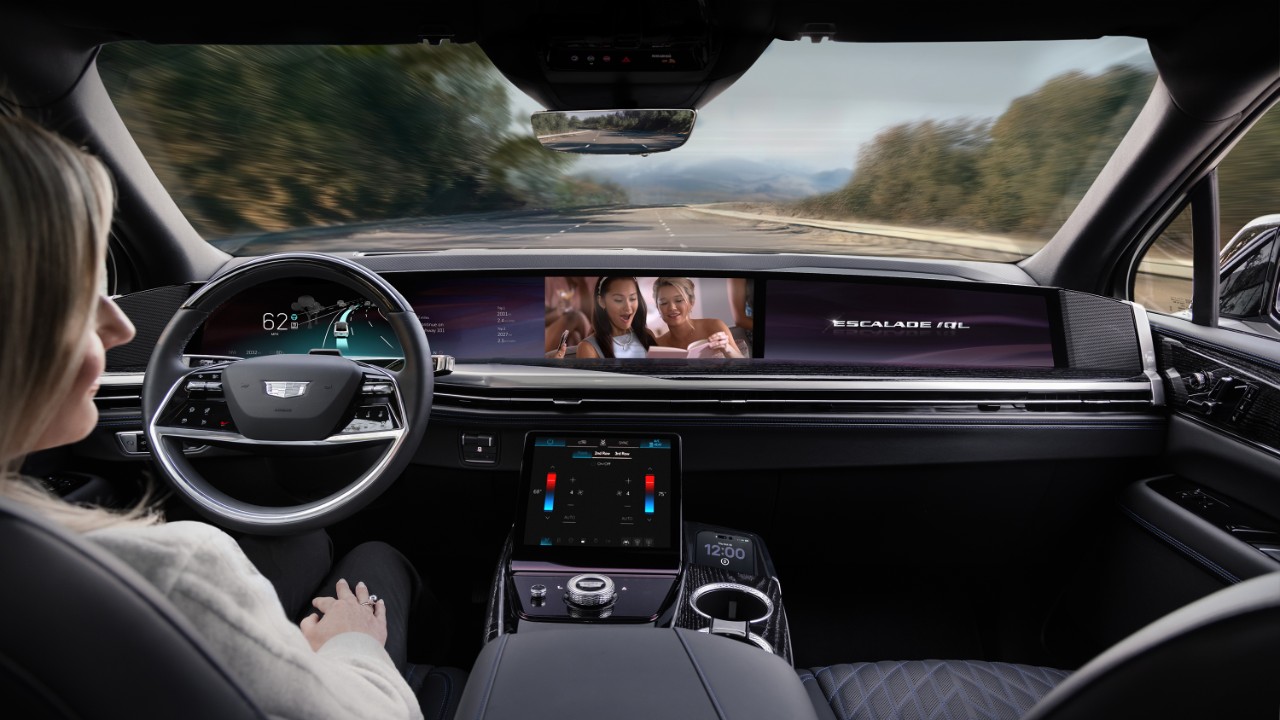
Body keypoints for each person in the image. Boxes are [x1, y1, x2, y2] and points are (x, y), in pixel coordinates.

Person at [0, 114, 439, 719]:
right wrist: (349, 645)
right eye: (80, 291)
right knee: (377, 559)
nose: (123, 326)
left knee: (305, 537)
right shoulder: (180, 575)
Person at [651, 277, 744, 358]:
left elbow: (743, 367)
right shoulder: (658, 344)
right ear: (658, 307)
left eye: (678, 300)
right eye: (663, 303)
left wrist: (727, 348)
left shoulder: (714, 326)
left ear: (691, 302)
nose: (672, 308)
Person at [574, 276, 657, 358]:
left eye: (632, 298)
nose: (628, 307)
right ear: (601, 302)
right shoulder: (588, 348)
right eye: (618, 300)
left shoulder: (647, 335)